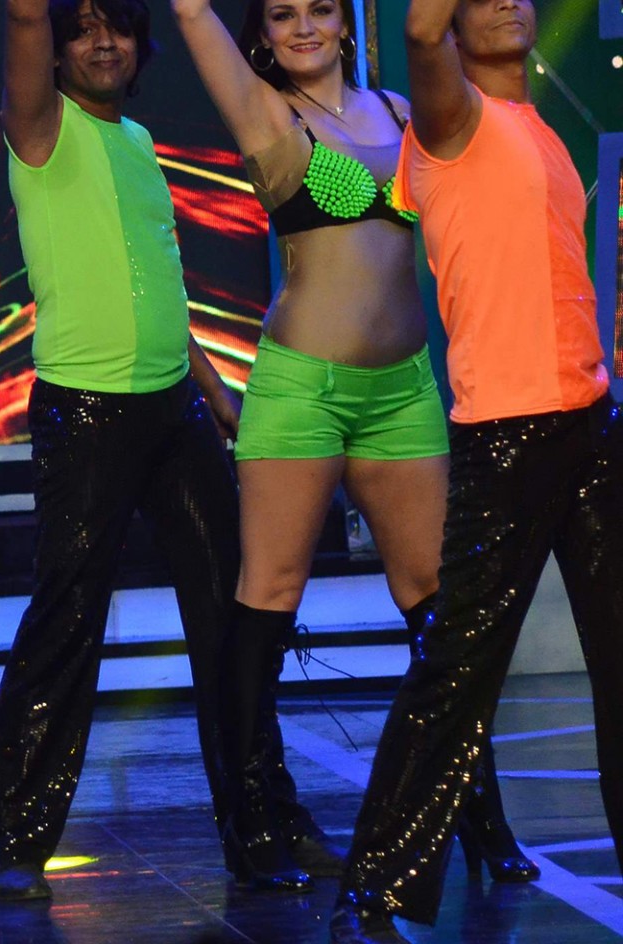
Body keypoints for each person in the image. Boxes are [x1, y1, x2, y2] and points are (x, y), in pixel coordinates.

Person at [0, 0, 334, 902]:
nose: (104, 42)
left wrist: (219, 400)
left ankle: (263, 824)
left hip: (175, 410)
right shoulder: (40, 130)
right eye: (84, 28)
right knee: (66, 622)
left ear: (140, 49)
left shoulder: (137, 141)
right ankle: (15, 840)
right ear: (58, 50)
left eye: (120, 29)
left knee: (232, 619)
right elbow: (23, 24)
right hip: (86, 413)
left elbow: (162, 292)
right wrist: (34, 17)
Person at [172, 0, 534, 890]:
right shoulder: (265, 112)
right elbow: (190, 12)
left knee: (438, 610)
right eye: (282, 14)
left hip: (403, 390)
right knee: (269, 595)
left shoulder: (402, 112)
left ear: (345, 23)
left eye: (320, 9)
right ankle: (252, 827)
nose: (303, 27)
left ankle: (481, 818)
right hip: (303, 390)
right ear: (264, 33)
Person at [327, 0, 623, 937]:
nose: (506, 2)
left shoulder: (543, 133)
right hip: (506, 436)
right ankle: (375, 888)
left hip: (588, 425)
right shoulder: (451, 120)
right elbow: (419, 36)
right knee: (456, 674)